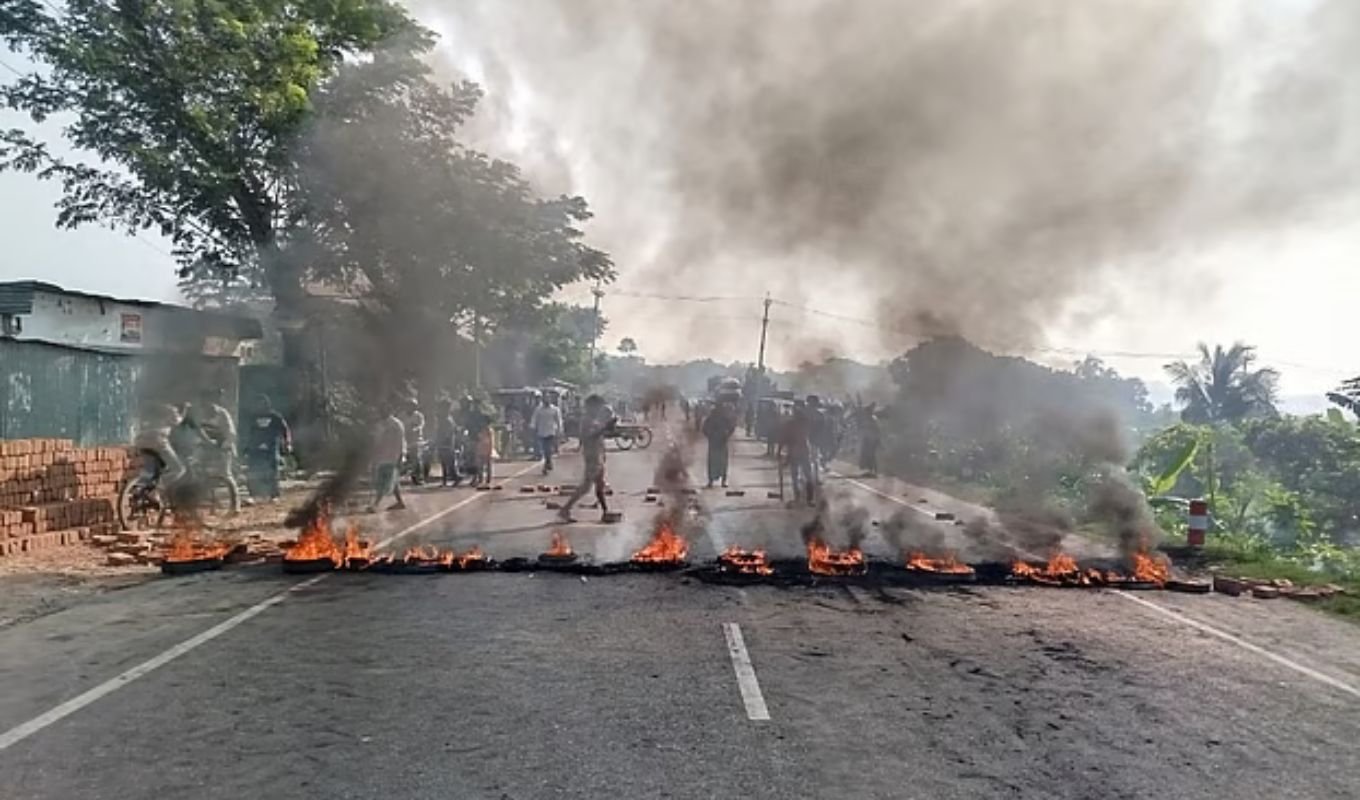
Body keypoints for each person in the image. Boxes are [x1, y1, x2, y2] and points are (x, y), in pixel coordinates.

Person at [559, 394, 615, 523]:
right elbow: (588, 436)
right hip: (592, 456)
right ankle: (565, 509)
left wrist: (609, 427)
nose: (599, 409)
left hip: (598, 454)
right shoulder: (586, 420)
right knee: (586, 487)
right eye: (597, 407)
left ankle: (605, 511)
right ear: (590, 406)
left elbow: (603, 433)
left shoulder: (595, 419)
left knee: (599, 485)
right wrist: (604, 428)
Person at [186, 387, 240, 513]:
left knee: (225, 474)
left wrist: (225, 446)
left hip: (223, 447)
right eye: (203, 401)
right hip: (206, 446)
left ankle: (235, 506)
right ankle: (204, 500)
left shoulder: (222, 414)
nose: (205, 404)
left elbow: (230, 433)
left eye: (208, 400)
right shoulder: (199, 415)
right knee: (196, 469)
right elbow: (198, 432)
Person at [244, 394, 291, 502]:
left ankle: (274, 495)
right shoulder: (253, 417)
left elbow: (285, 430)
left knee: (272, 472)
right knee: (253, 471)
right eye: (258, 403)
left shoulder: (275, 417)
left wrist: (287, 443)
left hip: (271, 447)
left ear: (267, 404)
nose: (260, 406)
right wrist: (247, 447)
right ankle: (253, 495)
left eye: (262, 403)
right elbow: (249, 433)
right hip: (255, 448)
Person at [133, 402, 188, 489]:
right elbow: (178, 421)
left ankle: (142, 485)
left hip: (140, 440)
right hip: (158, 441)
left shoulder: (153, 407)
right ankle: (157, 488)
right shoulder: (171, 410)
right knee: (179, 469)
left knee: (152, 467)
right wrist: (185, 409)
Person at [778, 400, 816, 507]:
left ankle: (802, 498)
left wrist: (779, 451)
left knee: (799, 476)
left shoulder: (796, 424)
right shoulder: (799, 424)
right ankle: (805, 498)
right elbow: (783, 439)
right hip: (799, 452)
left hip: (799, 452)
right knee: (803, 475)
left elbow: (783, 439)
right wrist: (779, 451)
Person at [368, 408, 406, 512]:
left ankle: (375, 505)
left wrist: (401, 456)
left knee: (383, 481)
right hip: (383, 457)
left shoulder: (396, 424)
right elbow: (376, 441)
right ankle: (400, 502)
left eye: (382, 411)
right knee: (392, 481)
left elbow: (401, 442)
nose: (380, 413)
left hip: (391, 457)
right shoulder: (380, 424)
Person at [703, 402, 737, 487]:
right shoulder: (711, 418)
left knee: (722, 463)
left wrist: (726, 435)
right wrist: (710, 435)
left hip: (721, 442)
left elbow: (732, 427)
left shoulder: (725, 418)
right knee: (714, 463)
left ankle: (721, 481)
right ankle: (712, 481)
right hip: (715, 443)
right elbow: (705, 429)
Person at [530, 394, 564, 475]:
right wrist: (532, 428)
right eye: (545, 399)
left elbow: (559, 421)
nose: (546, 400)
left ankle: (546, 465)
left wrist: (560, 430)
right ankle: (548, 462)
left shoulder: (555, 409)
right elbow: (534, 419)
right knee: (545, 450)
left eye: (548, 398)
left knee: (548, 449)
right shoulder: (538, 409)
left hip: (551, 432)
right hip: (541, 432)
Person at [434, 399, 461, 487]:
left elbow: (450, 432)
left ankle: (456, 477)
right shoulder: (443, 418)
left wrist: (444, 439)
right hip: (442, 442)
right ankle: (445, 480)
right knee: (444, 463)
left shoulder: (448, 419)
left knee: (449, 463)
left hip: (447, 443)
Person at [403, 398, 427, 485]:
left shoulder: (419, 416)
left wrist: (414, 429)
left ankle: (419, 477)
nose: (410, 407)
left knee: (416, 459)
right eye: (408, 405)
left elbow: (420, 425)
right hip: (405, 440)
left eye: (412, 406)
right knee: (407, 459)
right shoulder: (403, 415)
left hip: (416, 440)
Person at [859, 403, 882, 477]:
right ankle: (870, 471)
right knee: (868, 455)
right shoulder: (869, 418)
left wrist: (877, 440)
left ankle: (874, 472)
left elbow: (877, 430)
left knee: (872, 456)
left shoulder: (872, 418)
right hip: (869, 439)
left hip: (873, 440)